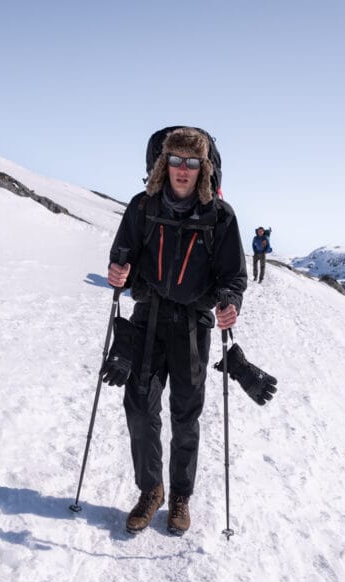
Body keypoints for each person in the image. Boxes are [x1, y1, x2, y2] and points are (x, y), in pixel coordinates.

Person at [105, 127, 247, 536]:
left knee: (186, 416)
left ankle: (181, 495)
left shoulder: (220, 217)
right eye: (175, 161)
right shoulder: (142, 207)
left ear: (203, 168)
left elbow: (234, 275)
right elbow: (121, 256)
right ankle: (152, 490)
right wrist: (118, 272)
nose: (182, 170)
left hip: (191, 326)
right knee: (140, 409)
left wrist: (229, 301)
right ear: (162, 164)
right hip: (146, 319)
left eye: (191, 162)